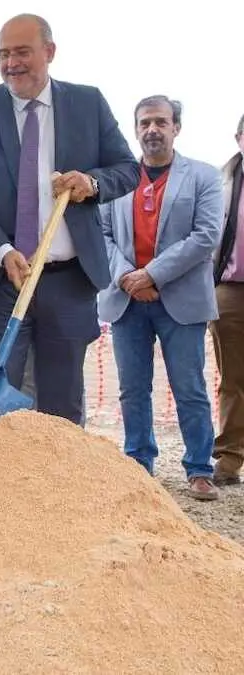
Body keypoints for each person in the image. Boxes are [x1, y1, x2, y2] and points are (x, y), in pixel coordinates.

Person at [0, 13, 138, 425]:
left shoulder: (88, 104)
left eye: (22, 52)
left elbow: (127, 168)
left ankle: (59, 488)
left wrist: (92, 182)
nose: (11, 63)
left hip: (68, 282)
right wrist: (3, 250)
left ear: (49, 52)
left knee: (63, 406)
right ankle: (2, 486)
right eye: (4, 54)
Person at [97, 95, 224, 500]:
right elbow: (101, 236)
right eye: (144, 123)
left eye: (160, 122)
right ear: (135, 129)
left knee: (189, 388)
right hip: (126, 301)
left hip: (180, 301)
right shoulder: (117, 179)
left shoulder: (202, 177)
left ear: (176, 128)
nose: (152, 129)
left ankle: (200, 469)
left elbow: (205, 237)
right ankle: (138, 463)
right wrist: (128, 278)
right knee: (132, 389)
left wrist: (151, 274)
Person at [210, 112, 244, 486]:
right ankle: (230, 458)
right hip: (230, 291)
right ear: (239, 138)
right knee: (233, 379)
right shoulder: (220, 180)